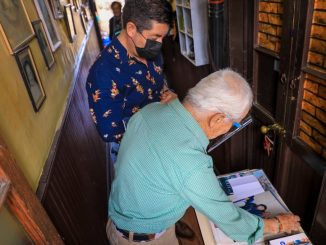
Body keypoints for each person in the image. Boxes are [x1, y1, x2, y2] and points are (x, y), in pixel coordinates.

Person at [106, 69, 301, 244]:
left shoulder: (150, 111)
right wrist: (277, 224)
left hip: (119, 220)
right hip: (143, 238)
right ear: (218, 119)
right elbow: (231, 221)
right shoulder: (191, 164)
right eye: (234, 125)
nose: (229, 130)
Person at [86, 0, 176, 162]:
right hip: (136, 153)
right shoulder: (103, 74)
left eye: (164, 36)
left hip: (163, 135)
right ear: (131, 29)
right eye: (155, 37)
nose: (160, 43)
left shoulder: (151, 51)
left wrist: (168, 95)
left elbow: (157, 85)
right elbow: (111, 131)